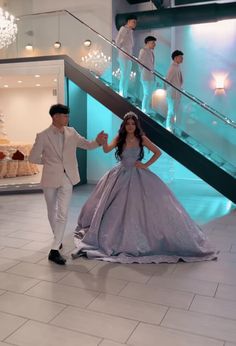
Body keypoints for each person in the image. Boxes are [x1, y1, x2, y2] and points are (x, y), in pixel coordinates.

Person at [71, 111, 217, 264]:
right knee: (113, 206)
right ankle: (113, 235)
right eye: (128, 123)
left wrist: (145, 165)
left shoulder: (142, 138)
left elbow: (157, 152)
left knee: (139, 206)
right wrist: (104, 141)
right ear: (124, 125)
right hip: (119, 174)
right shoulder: (120, 138)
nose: (130, 126)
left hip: (137, 174)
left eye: (133, 123)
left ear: (136, 125)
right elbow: (107, 150)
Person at [29, 103, 107, 265]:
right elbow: (33, 158)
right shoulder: (43, 135)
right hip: (50, 177)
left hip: (68, 177)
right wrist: (49, 162)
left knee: (63, 212)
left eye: (67, 116)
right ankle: (57, 238)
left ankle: (54, 248)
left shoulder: (72, 132)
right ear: (55, 116)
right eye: (65, 116)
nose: (67, 118)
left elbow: (87, 144)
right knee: (52, 210)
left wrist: (98, 142)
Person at [115, 14, 137, 98]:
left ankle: (125, 93)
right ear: (128, 21)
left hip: (129, 56)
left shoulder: (130, 31)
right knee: (124, 75)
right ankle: (121, 93)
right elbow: (117, 42)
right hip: (123, 55)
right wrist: (121, 46)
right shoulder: (123, 29)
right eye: (133, 22)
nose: (135, 23)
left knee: (127, 76)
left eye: (135, 22)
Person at [166, 50, 184, 133]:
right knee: (171, 111)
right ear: (176, 58)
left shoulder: (177, 67)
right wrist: (169, 91)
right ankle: (169, 127)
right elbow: (167, 81)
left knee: (174, 111)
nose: (182, 58)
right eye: (180, 57)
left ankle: (172, 127)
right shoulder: (173, 68)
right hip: (172, 94)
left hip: (176, 93)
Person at [138, 36, 157, 114]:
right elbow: (140, 63)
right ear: (148, 43)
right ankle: (144, 109)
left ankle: (147, 108)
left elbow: (151, 65)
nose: (154, 44)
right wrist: (143, 72)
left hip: (151, 76)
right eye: (153, 43)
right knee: (147, 93)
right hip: (145, 76)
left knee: (149, 93)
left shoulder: (151, 52)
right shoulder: (143, 51)